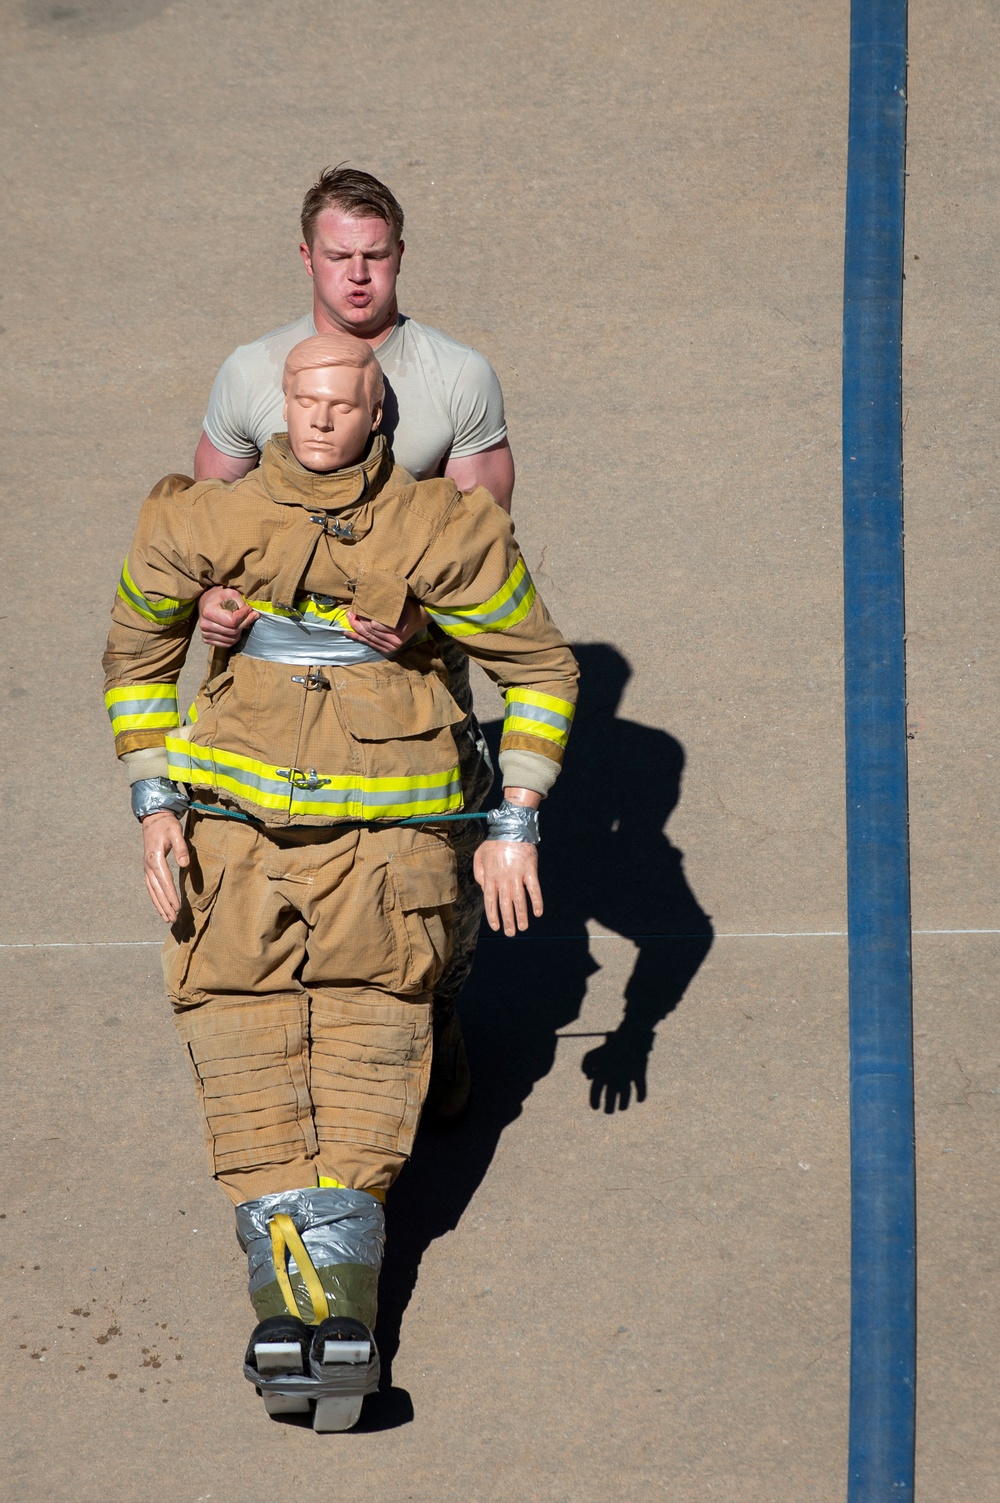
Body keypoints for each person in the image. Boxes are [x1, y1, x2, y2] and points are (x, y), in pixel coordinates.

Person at [103, 331, 578, 1429]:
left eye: (346, 402)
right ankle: (289, 1294)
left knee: (370, 1034)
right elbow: (136, 655)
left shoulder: (442, 533)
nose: (321, 419)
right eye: (307, 400)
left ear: (382, 418)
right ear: (281, 406)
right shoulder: (198, 524)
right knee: (234, 1029)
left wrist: (514, 819)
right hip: (234, 834)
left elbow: (537, 665)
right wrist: (153, 801)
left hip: (389, 839)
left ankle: (342, 1288)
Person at [194, 165, 516, 1124]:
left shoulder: (455, 376)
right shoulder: (254, 372)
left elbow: (485, 531)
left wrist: (424, 615)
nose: (359, 276)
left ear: (401, 256)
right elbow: (207, 519)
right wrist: (211, 602)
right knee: (273, 865)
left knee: (435, 867)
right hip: (275, 677)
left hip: (412, 665)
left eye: (376, 256)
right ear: (308, 258)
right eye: (339, 256)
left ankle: (439, 1009)